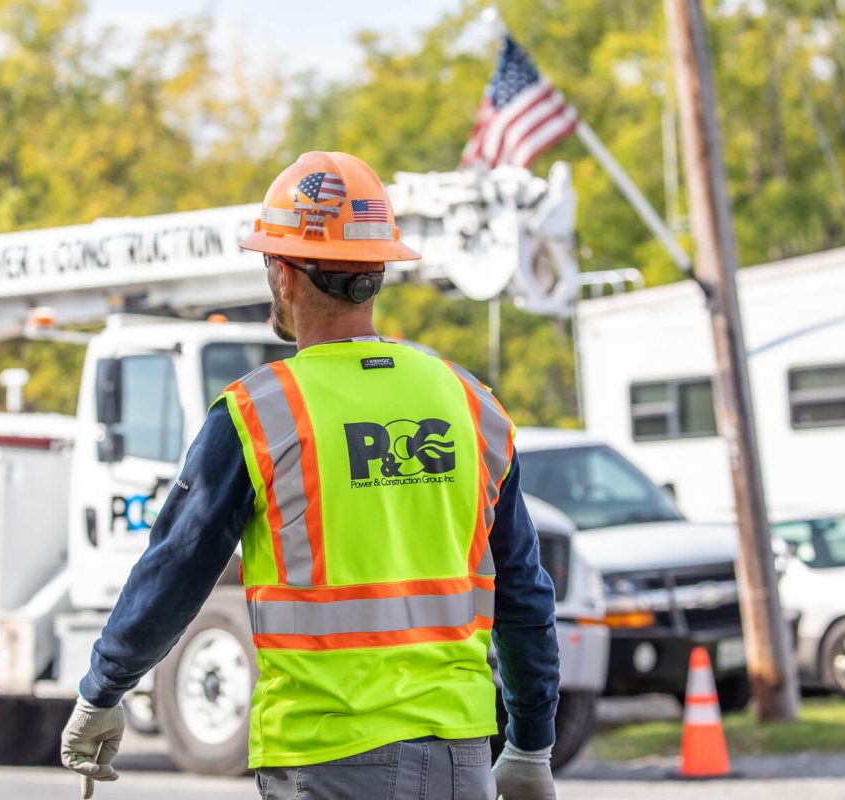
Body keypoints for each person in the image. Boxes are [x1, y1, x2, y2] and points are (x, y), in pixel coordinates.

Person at [60, 151, 560, 800]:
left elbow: (176, 570)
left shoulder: (258, 414)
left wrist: (105, 687)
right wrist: (530, 744)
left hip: (328, 761)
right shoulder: (470, 404)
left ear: (282, 272)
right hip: (460, 761)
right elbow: (523, 589)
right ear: (377, 272)